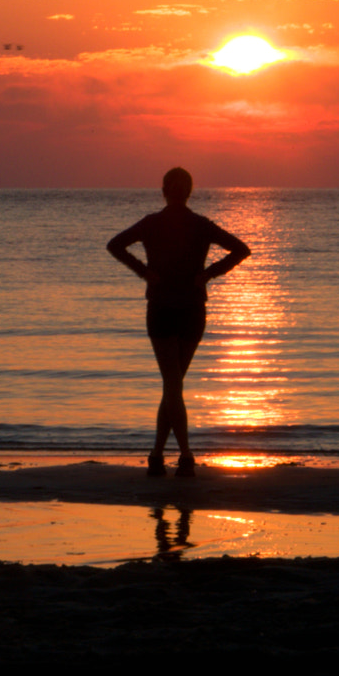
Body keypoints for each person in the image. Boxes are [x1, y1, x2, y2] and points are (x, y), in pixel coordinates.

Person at [106, 168, 251, 476]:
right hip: (189, 308)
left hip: (166, 308)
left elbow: (115, 245)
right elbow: (241, 250)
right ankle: (166, 455)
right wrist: (208, 274)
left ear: (164, 191)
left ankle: (173, 455)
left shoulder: (154, 223)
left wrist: (144, 271)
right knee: (174, 384)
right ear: (188, 192)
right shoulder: (199, 225)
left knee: (172, 385)